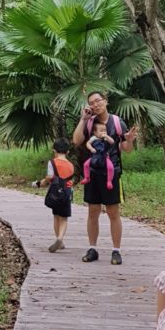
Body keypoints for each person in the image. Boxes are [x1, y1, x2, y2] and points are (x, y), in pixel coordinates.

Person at [71, 90, 138, 264]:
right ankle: (92, 248)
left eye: (98, 101)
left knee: (112, 212)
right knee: (92, 212)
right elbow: (77, 141)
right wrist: (83, 119)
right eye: (91, 103)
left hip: (111, 173)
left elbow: (127, 149)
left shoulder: (117, 122)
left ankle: (116, 250)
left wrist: (129, 140)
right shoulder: (89, 123)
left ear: (106, 101)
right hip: (92, 173)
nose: (95, 105)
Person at [32, 137, 75, 253]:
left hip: (55, 193)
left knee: (56, 216)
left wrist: (41, 183)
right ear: (68, 152)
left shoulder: (52, 162)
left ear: (54, 150)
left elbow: (50, 177)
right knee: (64, 218)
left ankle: (58, 240)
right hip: (66, 193)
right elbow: (71, 180)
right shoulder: (71, 165)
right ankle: (60, 238)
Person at [81, 121, 115, 189]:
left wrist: (106, 136)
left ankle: (109, 181)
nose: (103, 132)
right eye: (101, 130)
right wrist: (91, 149)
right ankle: (87, 177)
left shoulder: (105, 138)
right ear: (95, 132)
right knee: (86, 164)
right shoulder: (93, 138)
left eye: (105, 130)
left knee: (110, 167)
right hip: (95, 156)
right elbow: (87, 143)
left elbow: (112, 142)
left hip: (104, 157)